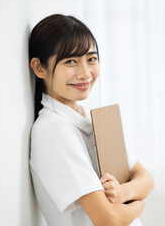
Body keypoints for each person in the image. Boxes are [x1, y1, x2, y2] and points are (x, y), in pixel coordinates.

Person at [28, 14, 154, 226]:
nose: (85, 73)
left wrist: (122, 192)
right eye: (70, 61)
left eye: (91, 59)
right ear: (40, 67)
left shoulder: (93, 119)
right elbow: (109, 220)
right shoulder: (54, 130)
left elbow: (145, 178)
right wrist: (138, 205)